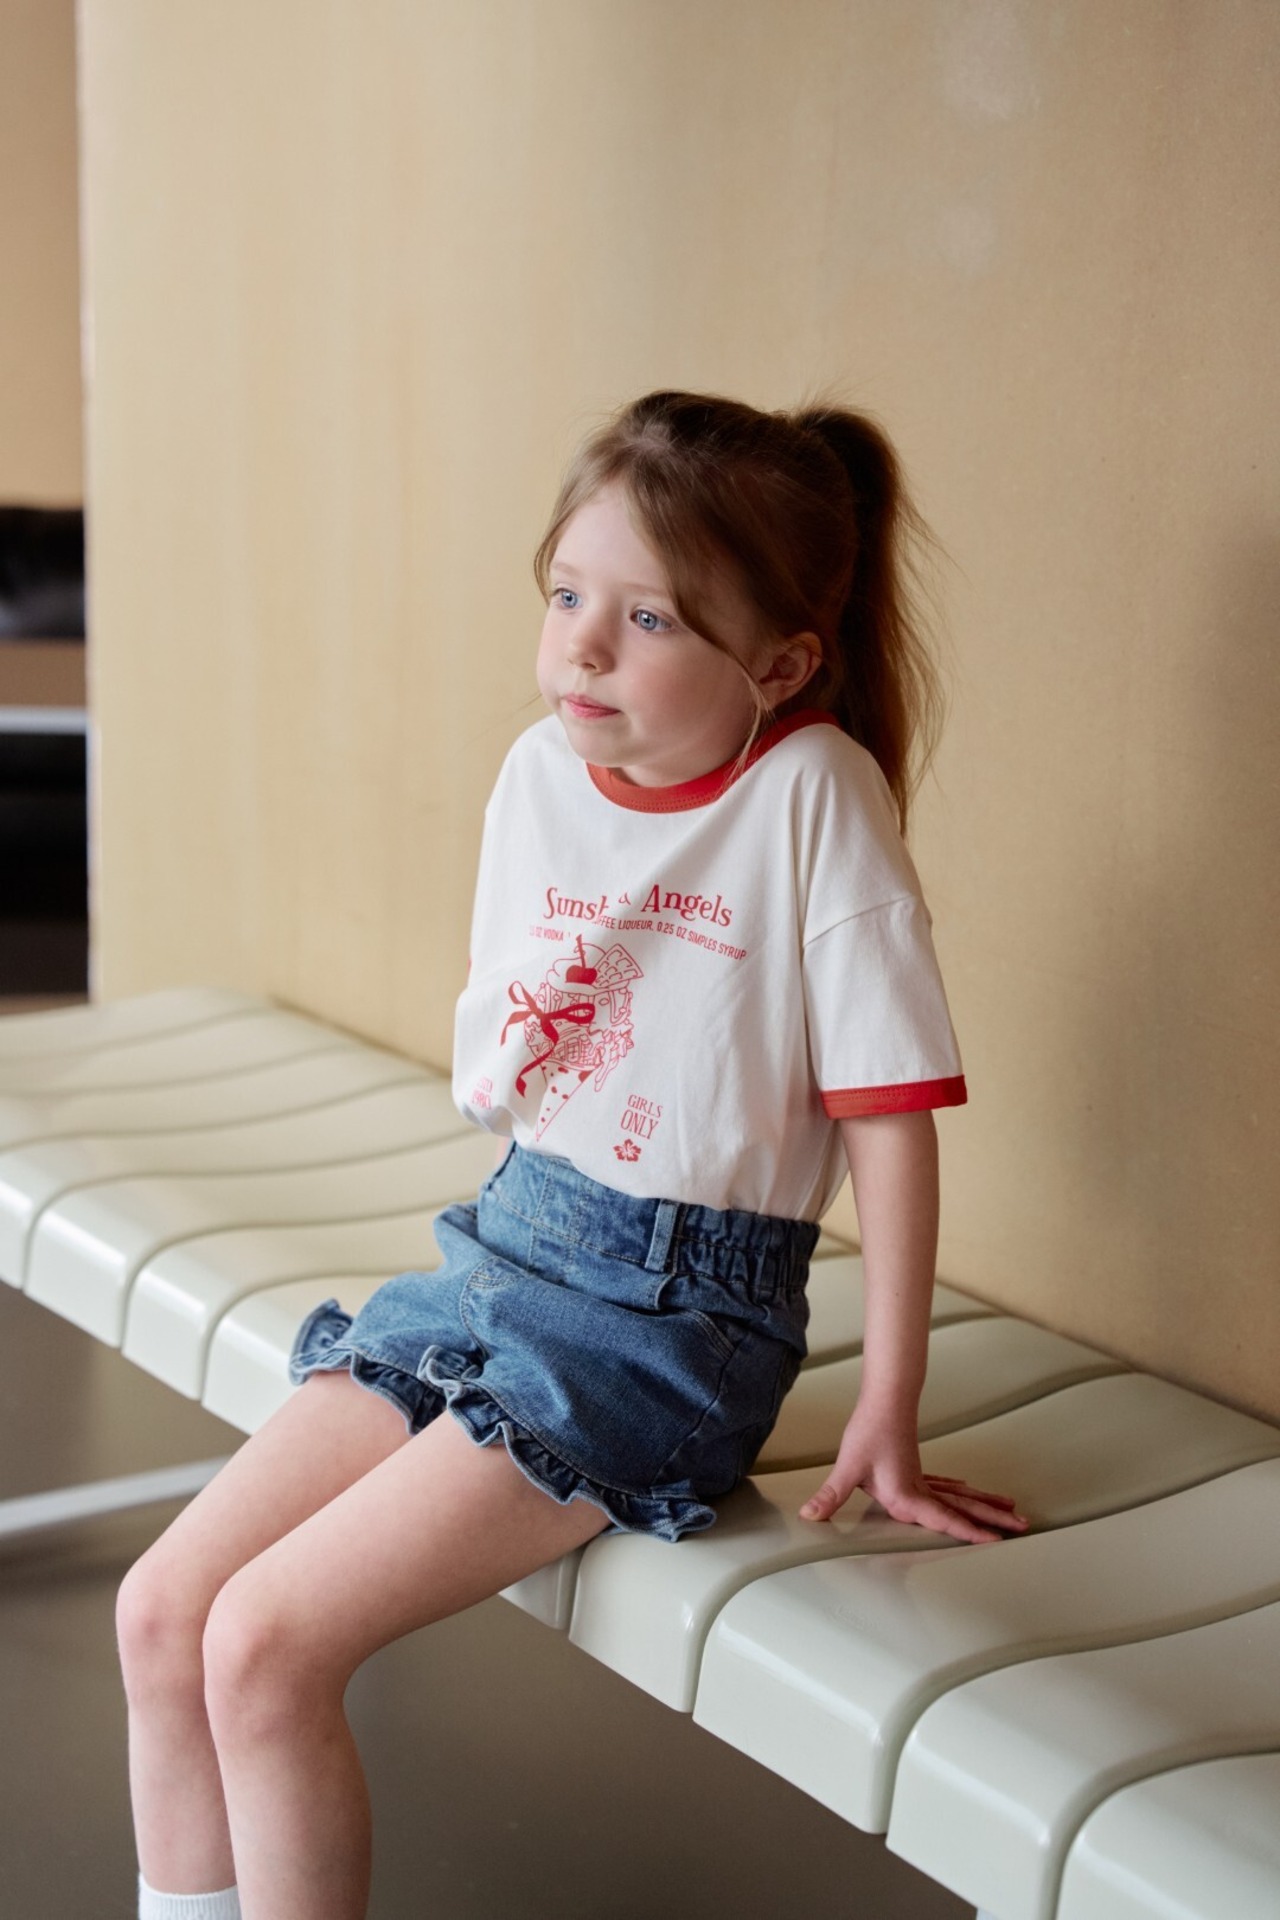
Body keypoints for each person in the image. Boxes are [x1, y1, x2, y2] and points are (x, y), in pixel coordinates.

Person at [115, 389, 1026, 1920]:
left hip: (674, 1321)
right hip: (506, 1245)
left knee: (264, 1646)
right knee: (162, 1616)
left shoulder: (814, 796)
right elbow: (515, 1057)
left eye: (650, 618)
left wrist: (889, 1404)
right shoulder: (538, 775)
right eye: (566, 596)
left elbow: (889, 1116)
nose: (583, 648)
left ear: (781, 665)